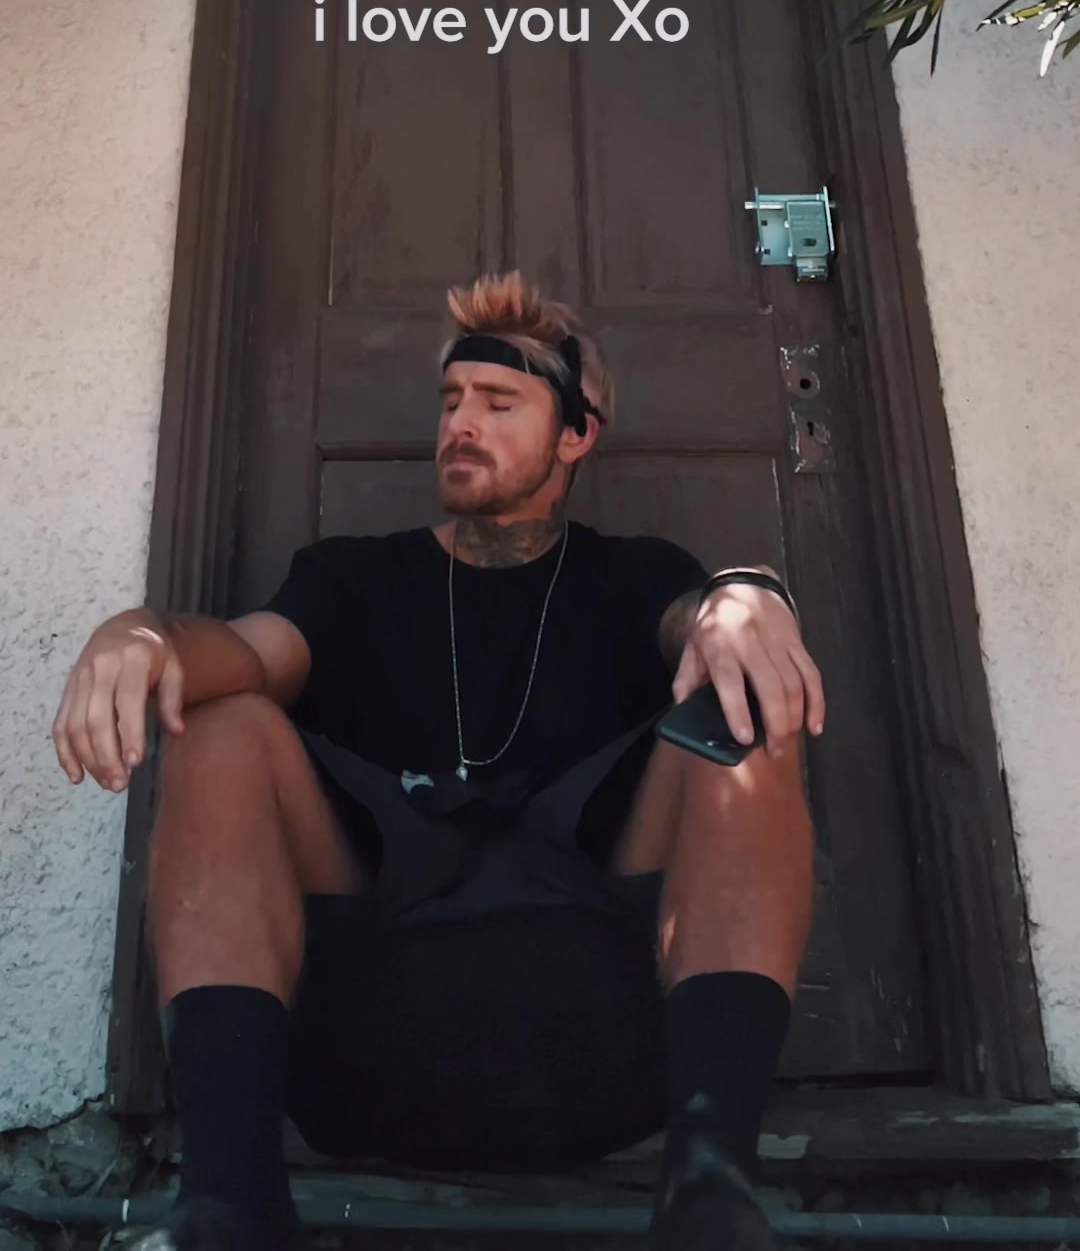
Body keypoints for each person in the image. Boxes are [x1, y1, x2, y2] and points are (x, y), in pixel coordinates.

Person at [52, 270, 823, 1251]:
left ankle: (712, 1196)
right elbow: (246, 654)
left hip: (604, 1044)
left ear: (576, 434)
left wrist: (745, 596)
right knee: (221, 723)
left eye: (499, 402)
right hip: (366, 1044)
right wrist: (140, 634)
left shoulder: (634, 575)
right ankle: (229, 1209)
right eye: (452, 399)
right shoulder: (353, 577)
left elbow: (698, 620)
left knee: (739, 711)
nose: (461, 422)